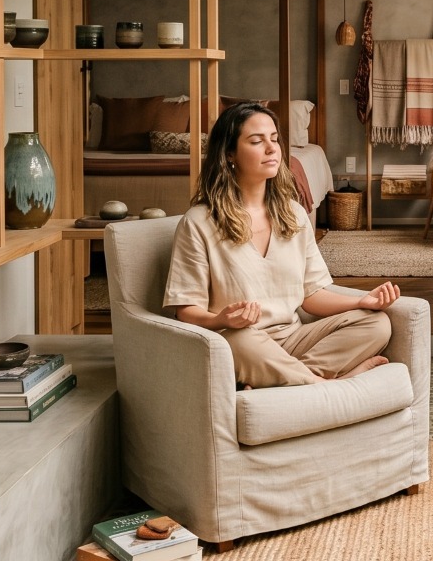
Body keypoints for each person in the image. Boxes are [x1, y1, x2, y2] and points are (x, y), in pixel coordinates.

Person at [163, 101, 400, 386]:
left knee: (375, 323)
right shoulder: (199, 222)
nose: (272, 148)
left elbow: (311, 296)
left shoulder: (294, 214)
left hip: (293, 338)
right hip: (240, 340)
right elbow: (185, 310)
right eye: (256, 141)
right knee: (237, 340)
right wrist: (222, 320)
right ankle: (331, 385)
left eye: (274, 139)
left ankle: (283, 380)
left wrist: (361, 301)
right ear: (229, 155)